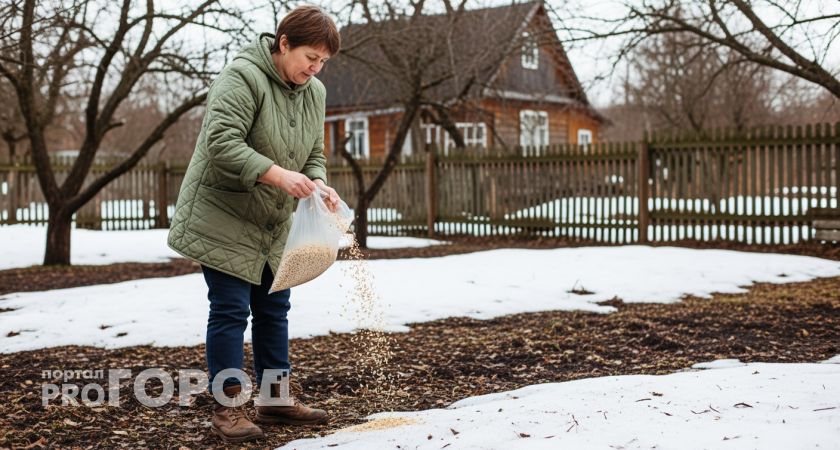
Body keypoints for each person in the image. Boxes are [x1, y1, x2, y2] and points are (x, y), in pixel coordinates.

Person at [167, 5, 341, 444]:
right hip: (224, 213)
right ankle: (228, 410)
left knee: (273, 309)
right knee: (230, 310)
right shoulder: (241, 77)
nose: (315, 68)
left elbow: (312, 155)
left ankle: (275, 398)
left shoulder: (314, 93)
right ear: (284, 44)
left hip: (270, 221)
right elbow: (221, 143)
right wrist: (279, 175)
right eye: (309, 57)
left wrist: (318, 183)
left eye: (322, 62)